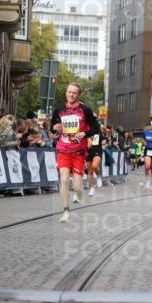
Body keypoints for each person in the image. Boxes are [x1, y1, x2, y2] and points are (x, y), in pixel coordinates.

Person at [50, 82, 98, 223]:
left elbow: (96, 129)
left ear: (78, 95)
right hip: (63, 149)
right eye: (69, 92)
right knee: (64, 180)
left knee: (77, 187)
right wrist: (55, 127)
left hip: (78, 151)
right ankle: (66, 210)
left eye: (74, 93)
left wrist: (84, 133)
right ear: (66, 93)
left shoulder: (85, 110)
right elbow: (52, 127)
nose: (71, 95)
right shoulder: (59, 109)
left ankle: (79, 193)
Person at [86, 121, 105, 198]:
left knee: (94, 165)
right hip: (89, 152)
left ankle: (98, 176)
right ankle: (92, 188)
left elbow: (105, 133)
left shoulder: (99, 131)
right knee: (90, 172)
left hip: (97, 151)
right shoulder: (87, 131)